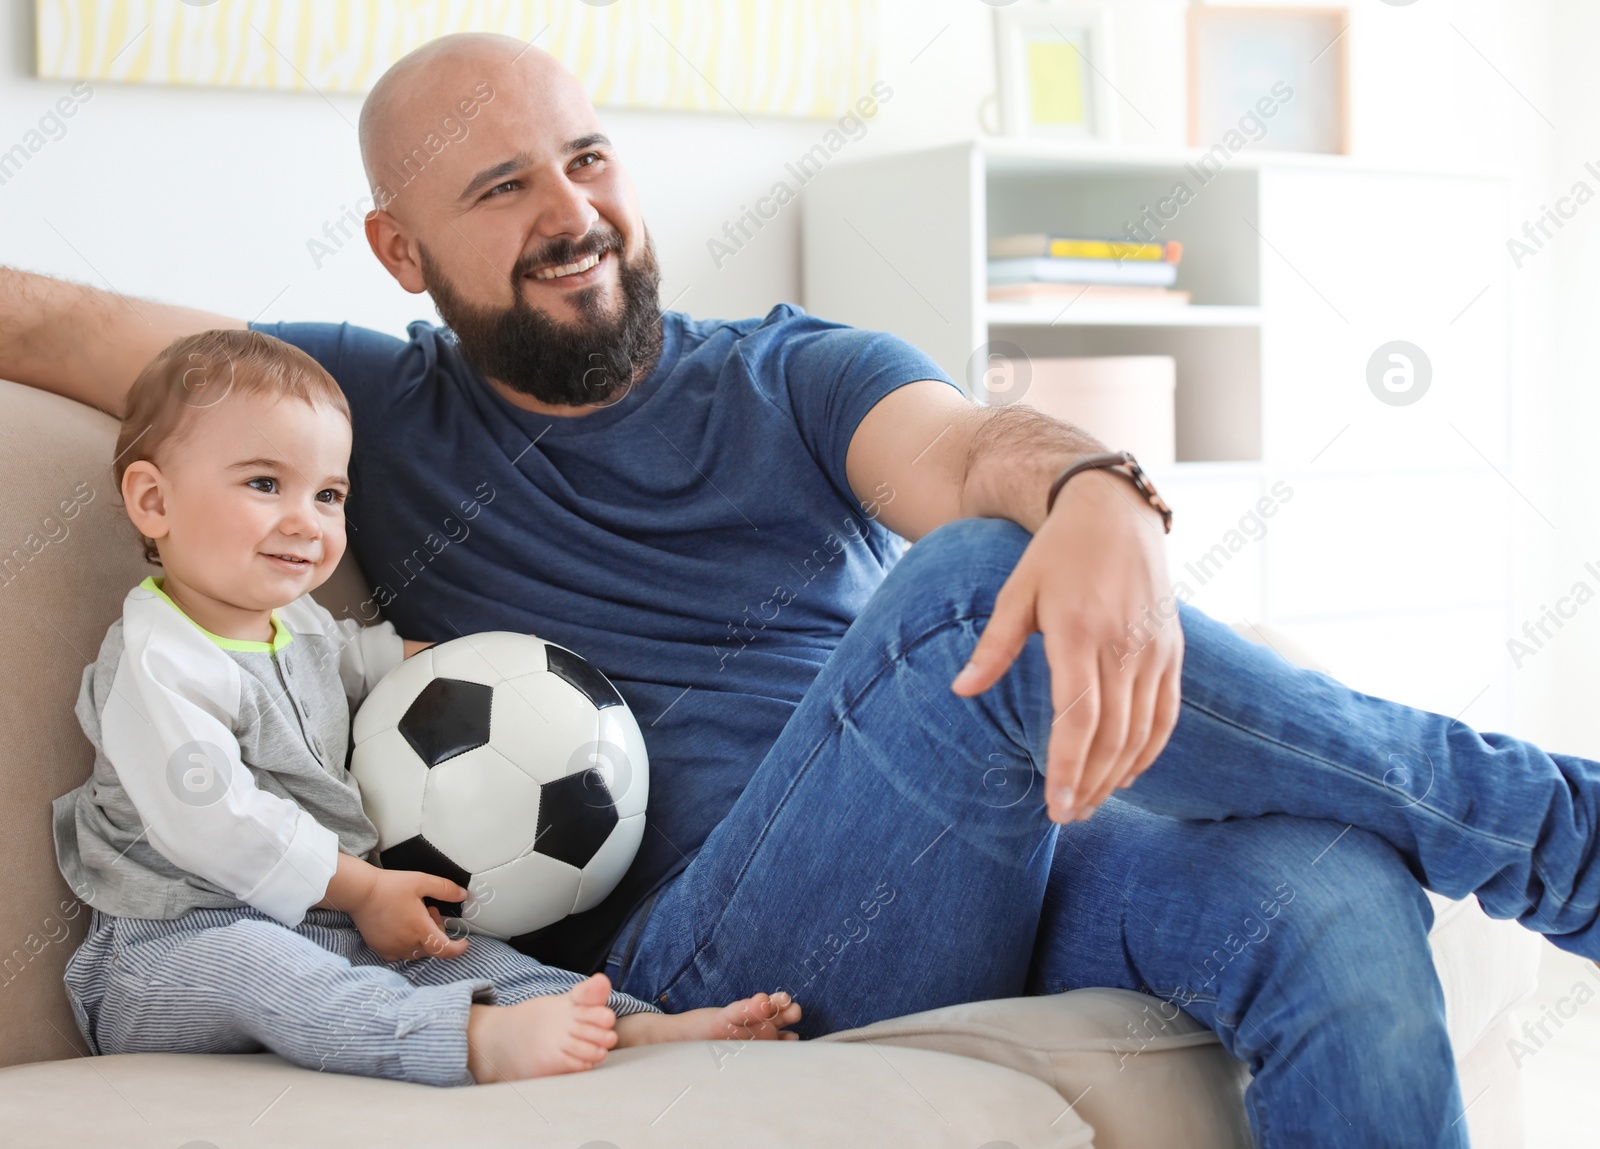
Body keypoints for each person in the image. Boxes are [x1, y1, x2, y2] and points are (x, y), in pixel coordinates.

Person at [5, 31, 1599, 1145]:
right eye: (499, 190)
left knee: (1330, 881)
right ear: (401, 250)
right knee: (979, 584)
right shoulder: (354, 407)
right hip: (719, 948)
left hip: (1000, 858)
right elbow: (50, 315)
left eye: (586, 159)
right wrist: (1043, 524)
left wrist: (1096, 490)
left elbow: (971, 449)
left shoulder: (799, 372)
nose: (570, 215)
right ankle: (1551, 833)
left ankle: (1530, 837)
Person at [50, 328, 801, 1087]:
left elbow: (358, 656)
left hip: (323, 922)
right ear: (154, 501)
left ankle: (633, 1026)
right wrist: (365, 887)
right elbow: (216, 823)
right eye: (265, 484)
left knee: (461, 950)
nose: (307, 521)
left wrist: (470, 668)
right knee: (258, 965)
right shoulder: (157, 662)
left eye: (329, 495)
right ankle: (467, 1042)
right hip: (170, 951)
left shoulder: (295, 622)